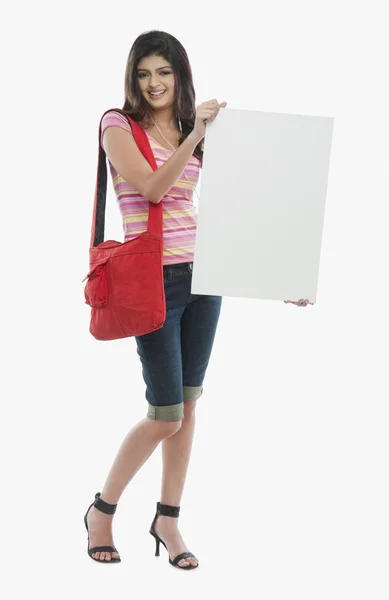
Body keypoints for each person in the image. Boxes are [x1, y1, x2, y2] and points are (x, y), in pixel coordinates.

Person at [84, 30, 312, 571]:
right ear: (132, 78)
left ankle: (168, 517)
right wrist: (196, 136)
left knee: (186, 407)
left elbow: (238, 208)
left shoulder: (190, 127)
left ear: (180, 76)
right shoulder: (118, 124)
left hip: (205, 276)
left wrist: (283, 276)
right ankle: (102, 509)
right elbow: (154, 188)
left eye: (164, 72)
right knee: (164, 414)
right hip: (152, 281)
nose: (154, 83)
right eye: (144, 73)